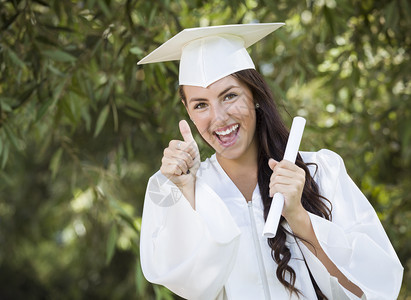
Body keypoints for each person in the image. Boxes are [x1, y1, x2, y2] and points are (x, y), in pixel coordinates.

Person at [137, 23, 403, 300]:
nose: (218, 118)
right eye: (201, 104)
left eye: (230, 96)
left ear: (254, 96)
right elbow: (188, 286)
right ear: (188, 112)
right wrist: (188, 193)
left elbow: (376, 288)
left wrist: (298, 216)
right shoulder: (179, 188)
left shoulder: (321, 172)